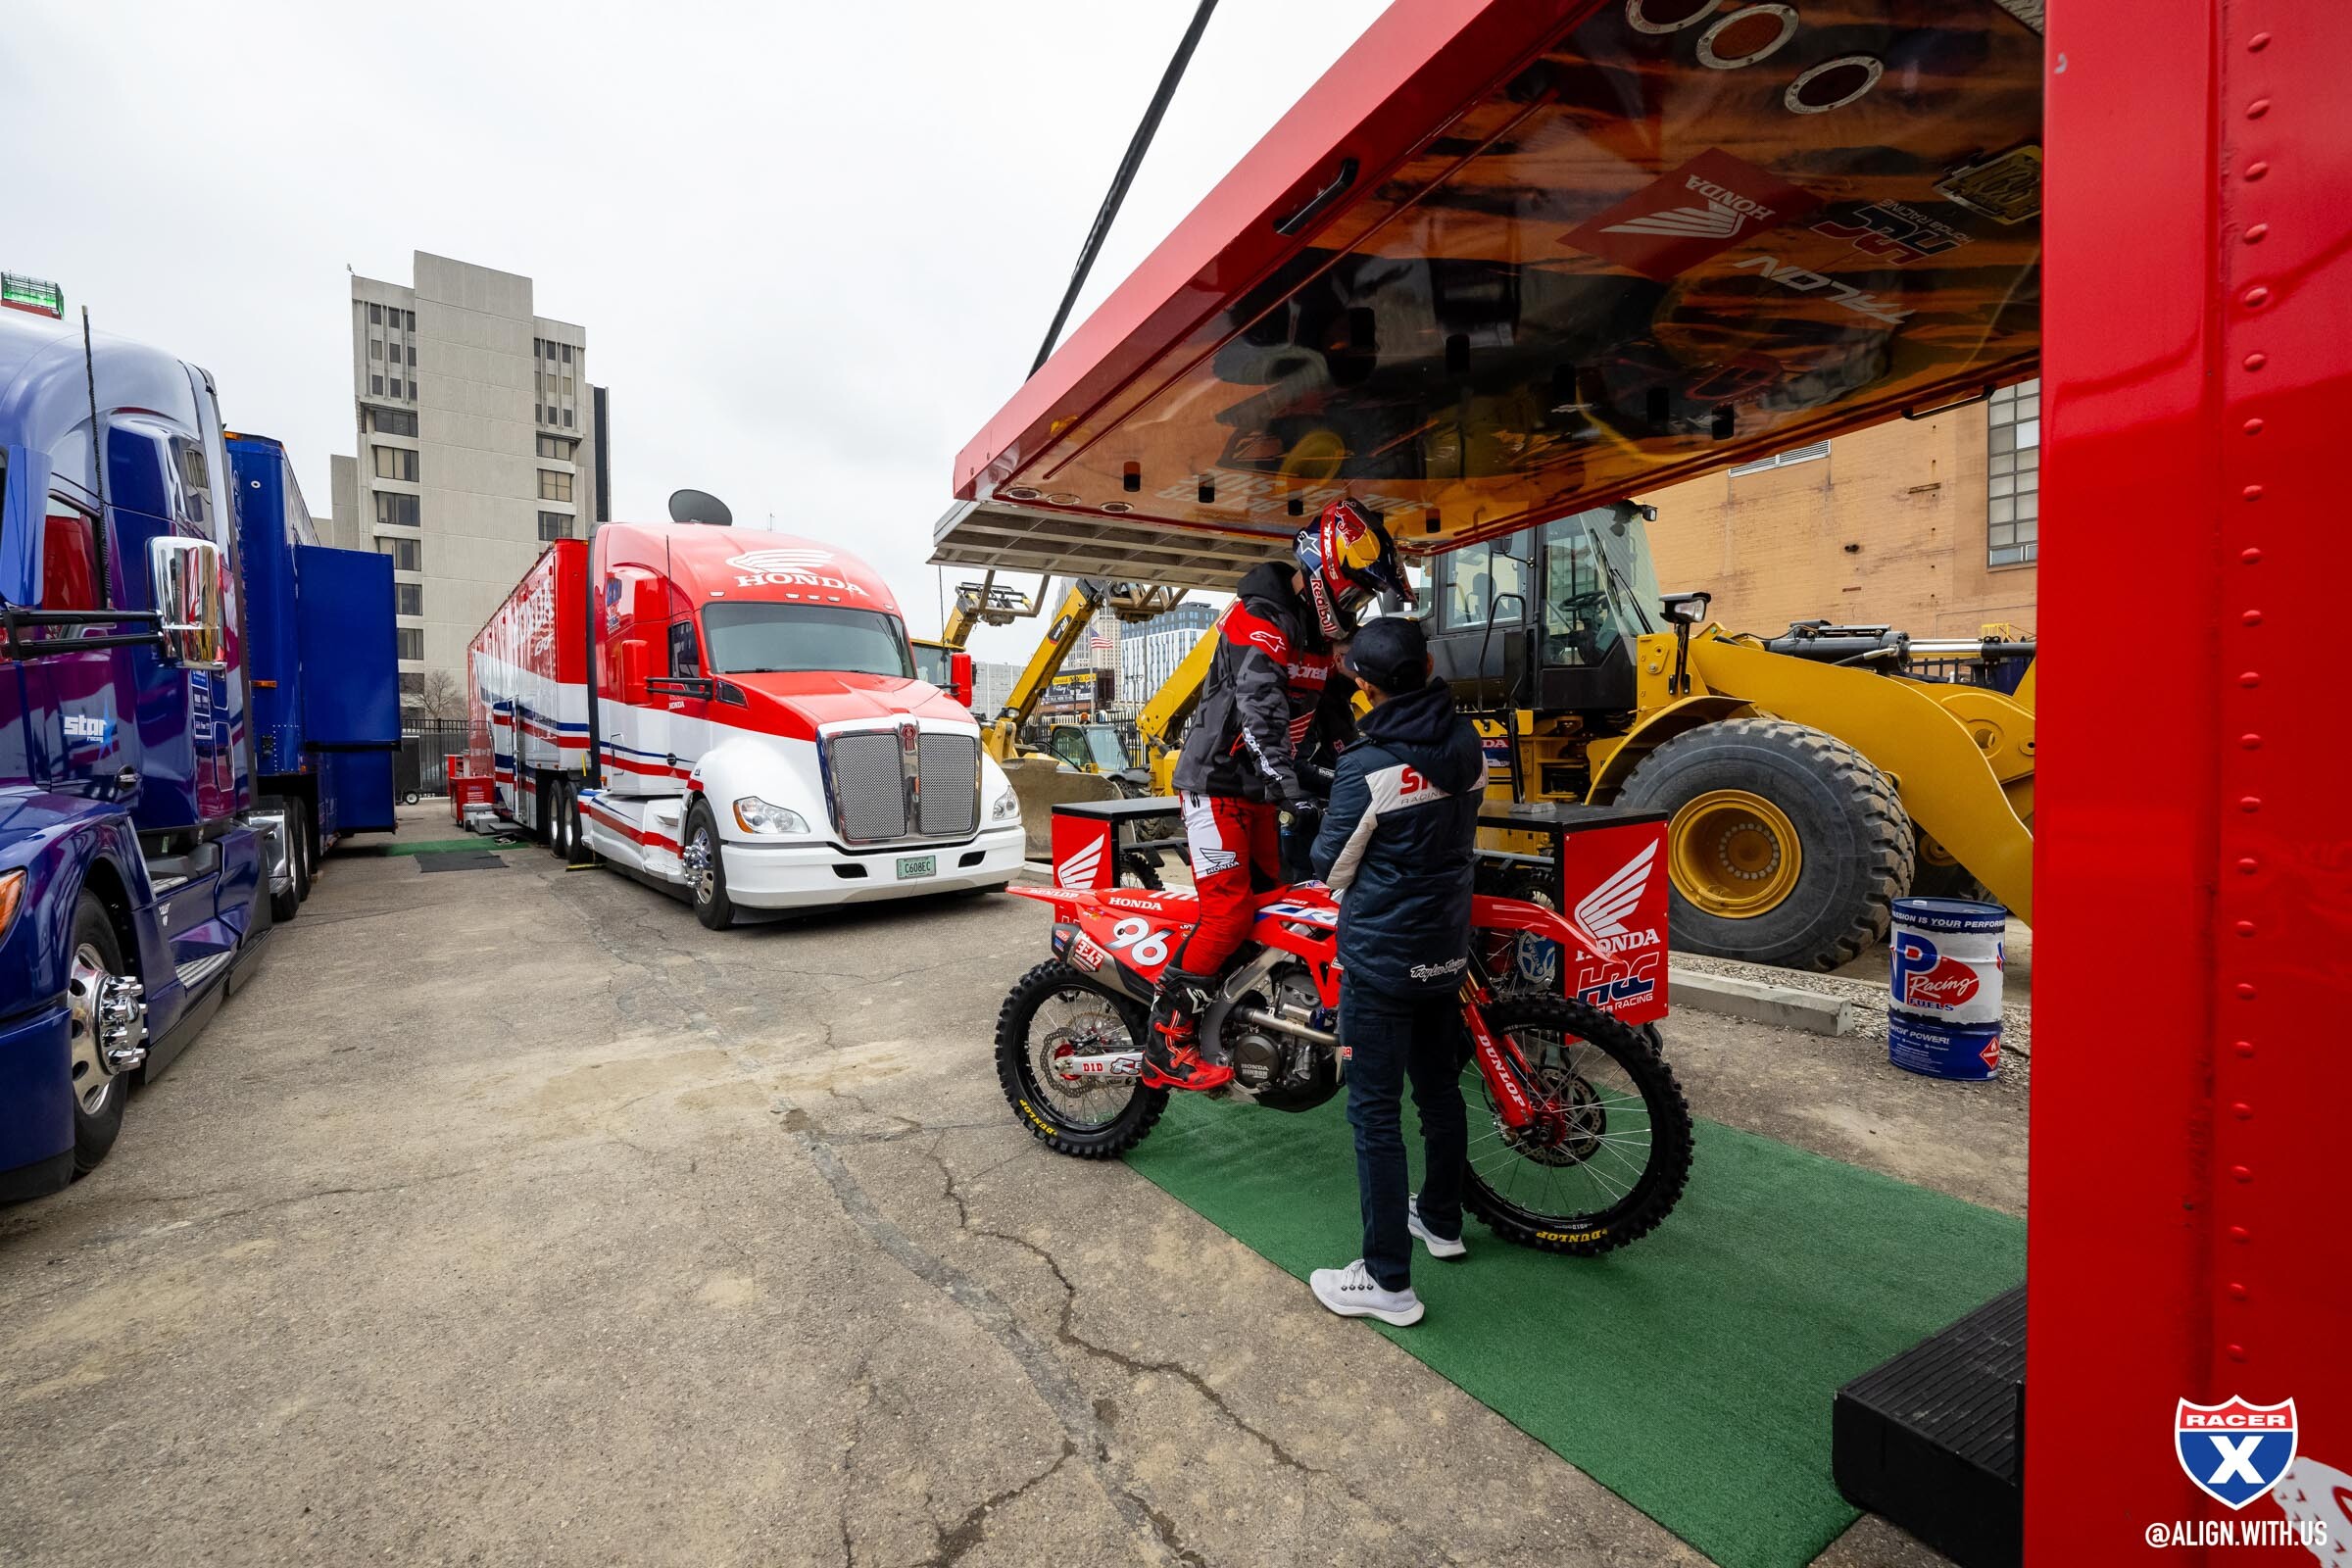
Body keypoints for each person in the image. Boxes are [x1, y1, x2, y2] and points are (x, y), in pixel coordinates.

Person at [1147, 498, 1415, 1092]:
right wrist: (1290, 787)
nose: (1355, 608)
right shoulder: (1258, 615)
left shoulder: (1319, 639)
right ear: (1323, 570)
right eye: (1353, 594)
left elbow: (1336, 715)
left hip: (1261, 787)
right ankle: (1167, 1039)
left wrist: (1369, 771)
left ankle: (1241, 1019)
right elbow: (1259, 705)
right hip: (1216, 784)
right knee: (1230, 910)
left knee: (1275, 905)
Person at [1304, 613, 1484, 1327]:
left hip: (1380, 958)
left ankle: (1386, 1283)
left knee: (1374, 1115)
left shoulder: (1366, 766)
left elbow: (1329, 866)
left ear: (1364, 684)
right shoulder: (1468, 744)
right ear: (1428, 663)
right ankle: (1440, 1220)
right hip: (1445, 945)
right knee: (1439, 1090)